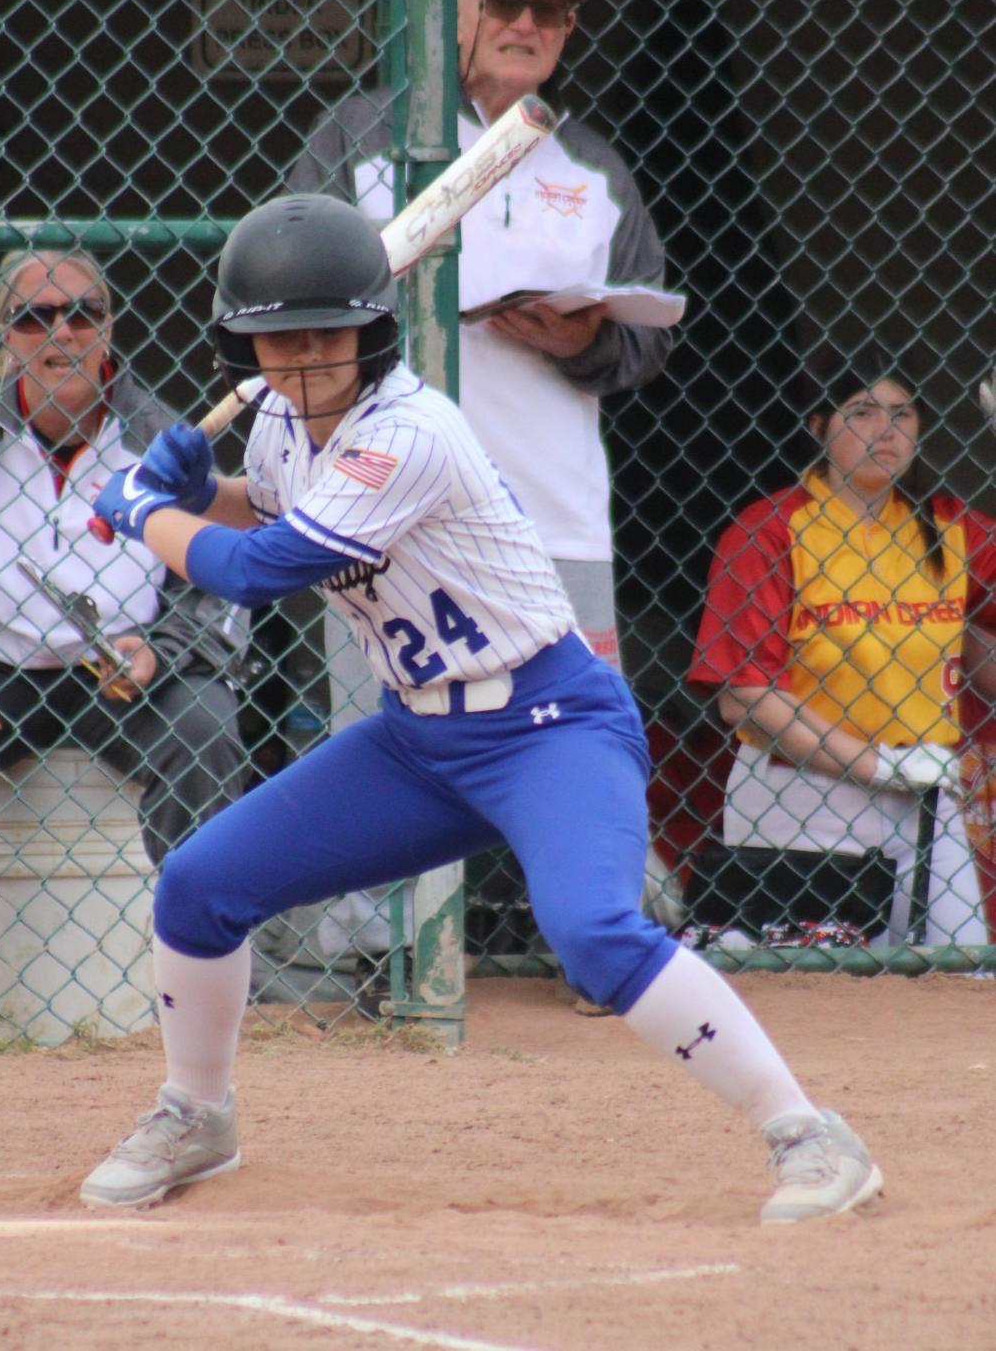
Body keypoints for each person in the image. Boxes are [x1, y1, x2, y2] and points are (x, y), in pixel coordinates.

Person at [78, 194, 881, 1225]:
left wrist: (147, 511)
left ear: (374, 331)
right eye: (279, 339)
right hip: (419, 739)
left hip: (551, 723)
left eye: (328, 334)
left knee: (592, 931)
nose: (304, 358)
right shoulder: (281, 422)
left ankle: (809, 1134)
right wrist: (203, 491)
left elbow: (258, 570)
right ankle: (197, 1114)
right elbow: (269, 511)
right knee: (199, 885)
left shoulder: (408, 431)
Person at [288, 0, 673, 981]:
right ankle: (377, 951)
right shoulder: (363, 136)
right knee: (380, 719)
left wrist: (585, 337)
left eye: (546, 13)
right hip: (390, 503)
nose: (522, 26)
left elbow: (647, 341)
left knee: (579, 731)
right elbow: (293, 294)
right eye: (501, 4)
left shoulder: (592, 165)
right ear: (452, 11)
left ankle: (604, 943)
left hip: (551, 501)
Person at [0, 248, 247, 1034]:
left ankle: (205, 984)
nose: (61, 331)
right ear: (6, 335)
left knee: (205, 726)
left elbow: (208, 584)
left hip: (129, 669)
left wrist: (155, 653)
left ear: (111, 327)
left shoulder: (160, 439)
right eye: (34, 316)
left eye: (82, 312)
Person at [688, 350, 994, 948]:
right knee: (812, 991)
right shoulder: (769, 530)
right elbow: (745, 698)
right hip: (800, 791)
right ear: (818, 427)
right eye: (862, 412)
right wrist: (877, 765)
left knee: (961, 980)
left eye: (902, 414)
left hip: (927, 794)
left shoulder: (953, 527)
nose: (886, 429)